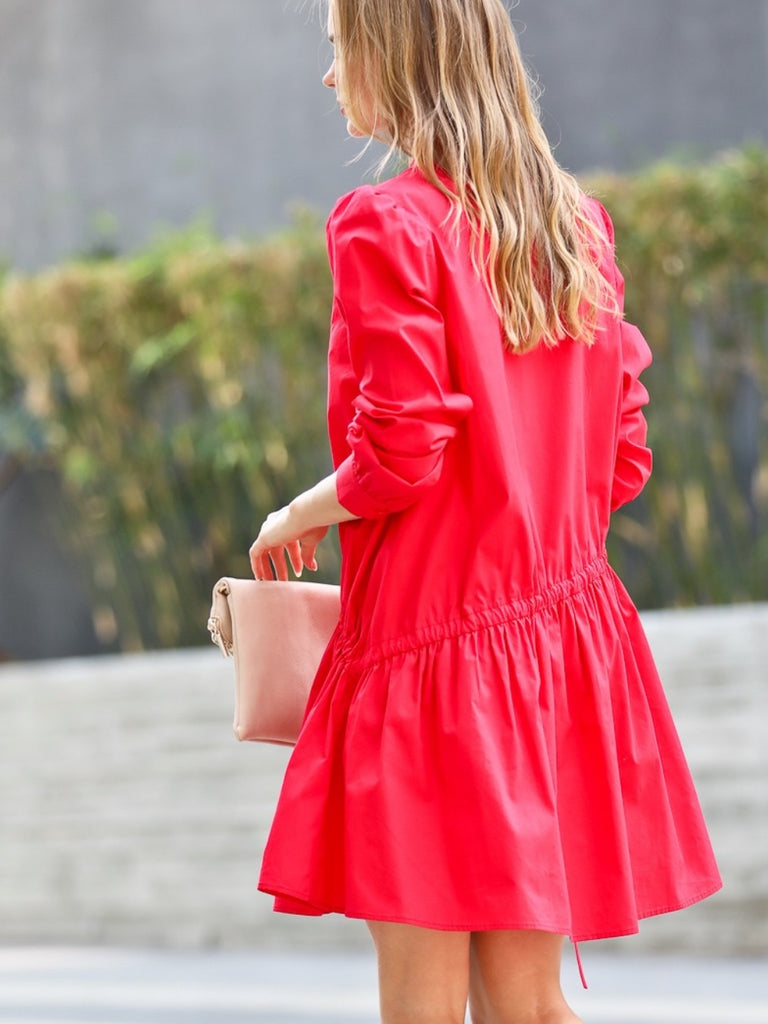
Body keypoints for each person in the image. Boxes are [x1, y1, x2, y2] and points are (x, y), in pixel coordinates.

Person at [248, 1, 722, 1021]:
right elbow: (622, 459)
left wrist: (295, 514)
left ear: (392, 50)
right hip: (562, 650)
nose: (328, 77)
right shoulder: (574, 224)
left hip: (435, 666)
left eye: (337, 49)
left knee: (421, 1004)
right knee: (530, 1003)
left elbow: (401, 452)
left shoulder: (384, 223)